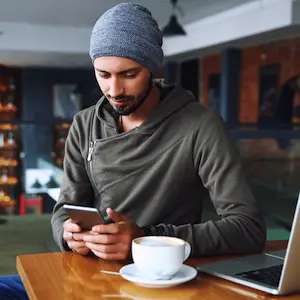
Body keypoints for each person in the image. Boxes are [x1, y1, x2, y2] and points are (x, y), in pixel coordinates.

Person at [0, 3, 266, 297]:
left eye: (128, 74)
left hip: (164, 278)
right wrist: (68, 233)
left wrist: (147, 239)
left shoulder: (200, 125)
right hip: (89, 275)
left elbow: (248, 229)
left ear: (153, 68)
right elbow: (65, 208)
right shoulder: (84, 124)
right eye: (103, 74)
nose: (114, 90)